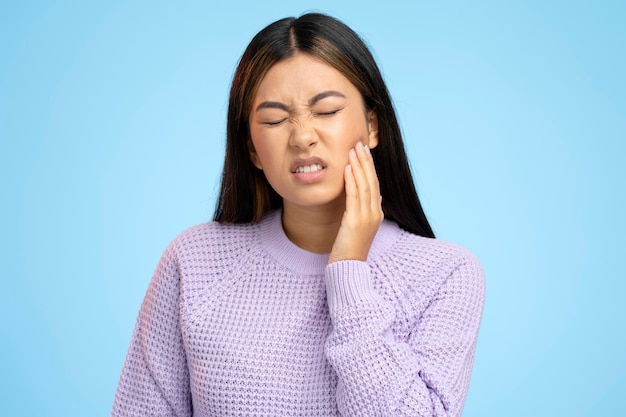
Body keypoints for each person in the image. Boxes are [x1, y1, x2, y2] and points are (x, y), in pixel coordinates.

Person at [111, 12, 485, 417]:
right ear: (252, 148)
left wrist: (348, 273)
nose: (302, 135)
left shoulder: (446, 274)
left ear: (373, 126)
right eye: (274, 119)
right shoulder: (194, 261)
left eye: (326, 111)